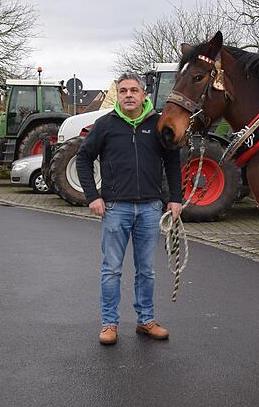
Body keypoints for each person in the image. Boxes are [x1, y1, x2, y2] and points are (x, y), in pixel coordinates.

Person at [77, 73, 183, 345]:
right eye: (123, 90)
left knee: (146, 270)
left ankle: (145, 320)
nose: (128, 95)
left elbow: (172, 162)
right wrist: (92, 196)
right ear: (118, 94)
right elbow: (83, 158)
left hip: (150, 208)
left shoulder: (159, 125)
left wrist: (175, 198)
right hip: (115, 208)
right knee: (111, 269)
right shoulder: (105, 125)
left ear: (144, 94)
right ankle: (109, 324)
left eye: (134, 90)